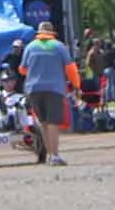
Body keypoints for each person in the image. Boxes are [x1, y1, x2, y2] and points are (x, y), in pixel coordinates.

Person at [19, 20, 80, 166]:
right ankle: (55, 155)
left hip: (34, 88)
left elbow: (22, 69)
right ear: (52, 33)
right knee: (53, 122)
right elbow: (71, 69)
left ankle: (48, 155)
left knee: (43, 123)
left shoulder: (30, 47)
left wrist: (36, 70)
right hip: (54, 88)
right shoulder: (59, 47)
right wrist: (77, 85)